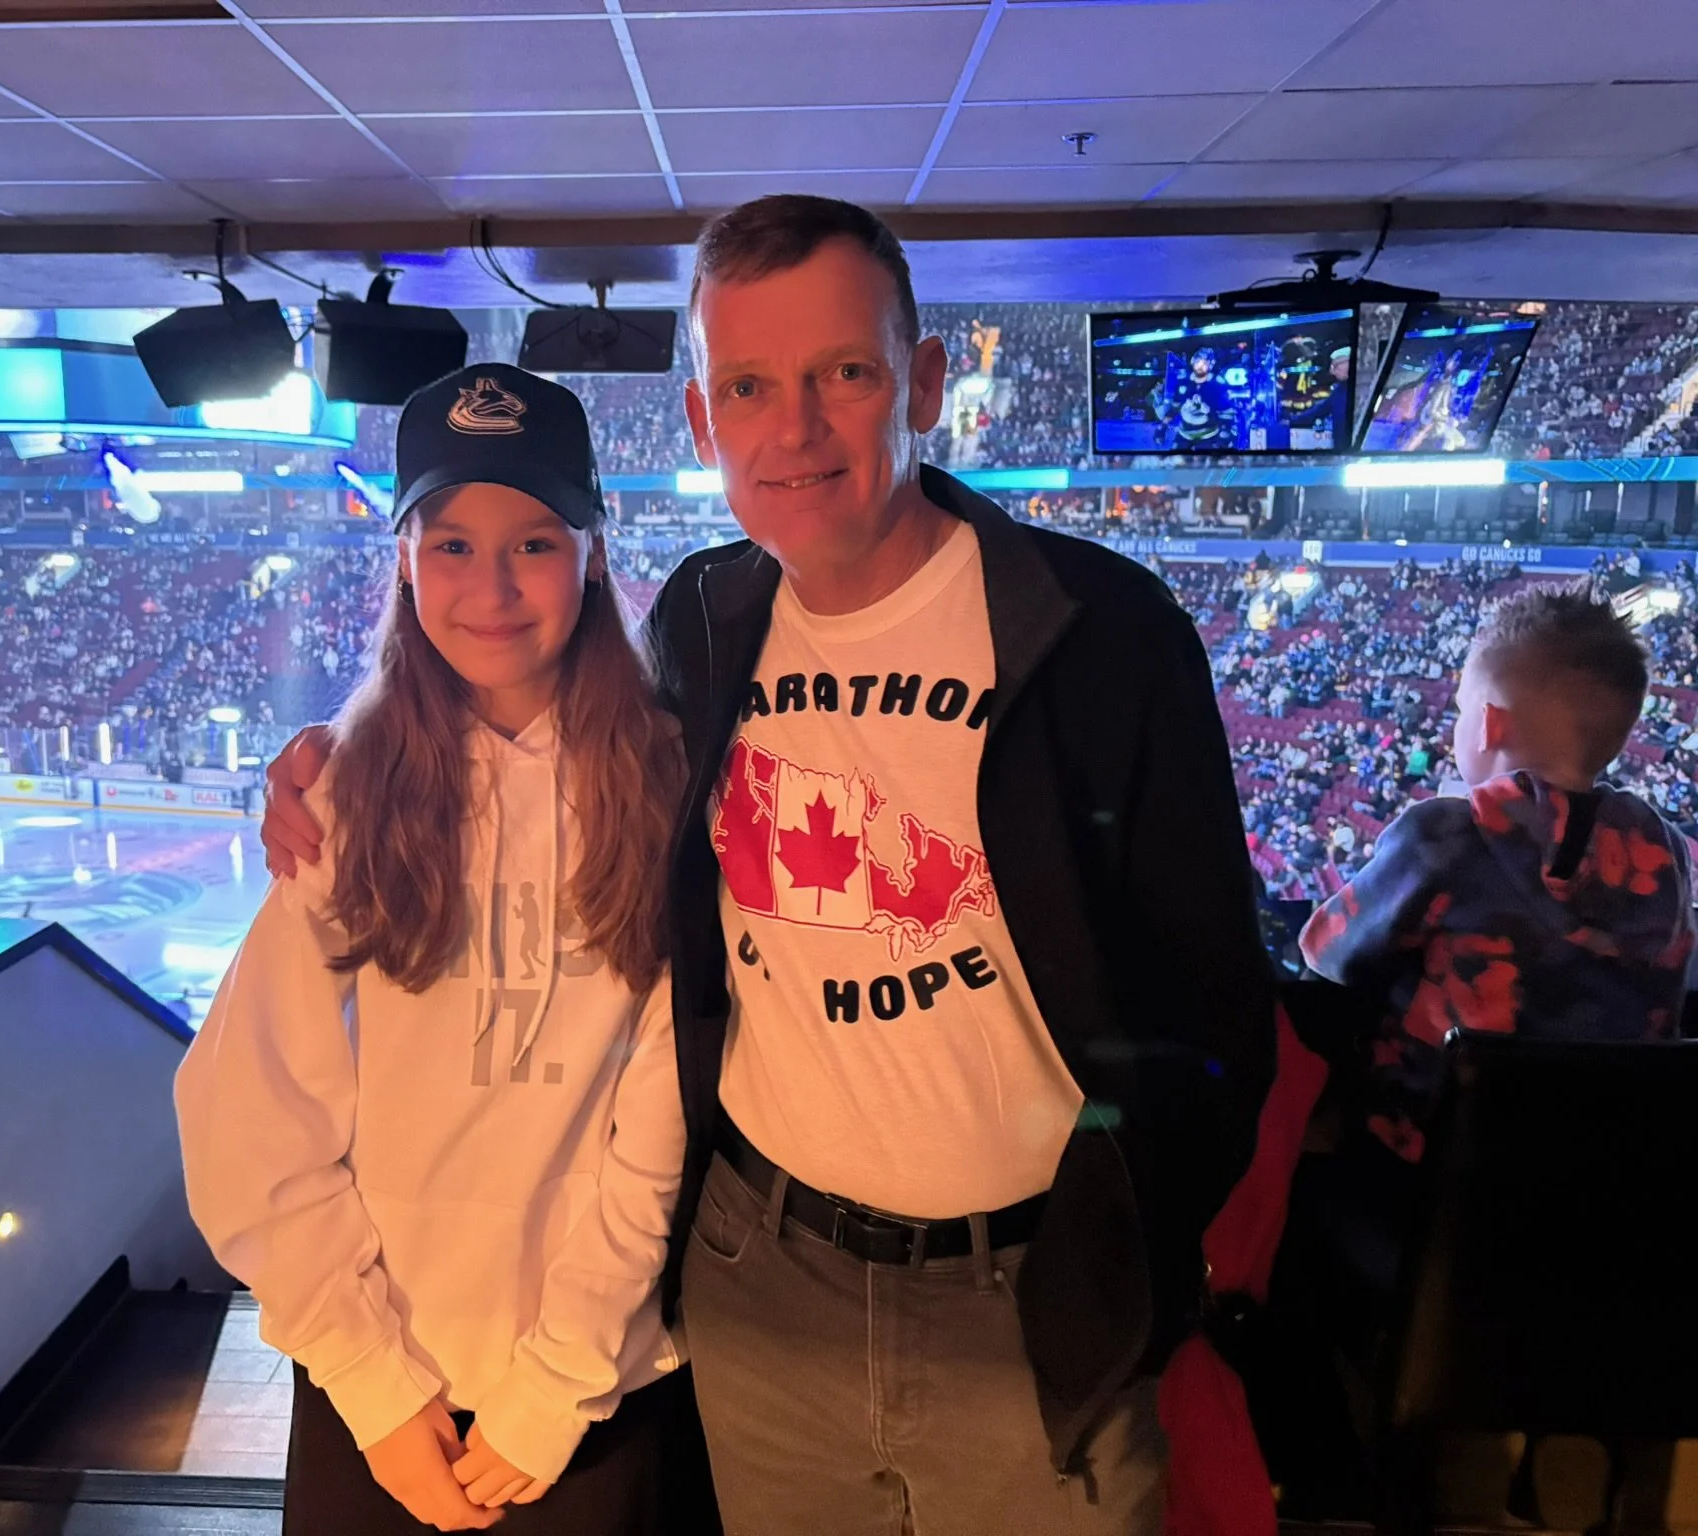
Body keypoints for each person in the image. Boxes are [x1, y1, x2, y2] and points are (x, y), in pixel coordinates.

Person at [262, 196, 1274, 1535]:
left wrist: (1125, 1263)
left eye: (842, 375)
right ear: (702, 422)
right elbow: (520, 691)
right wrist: (336, 740)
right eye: (748, 386)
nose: (793, 429)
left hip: (1034, 1302)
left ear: (920, 383)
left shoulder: (1103, 635)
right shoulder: (701, 616)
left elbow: (1215, 1011)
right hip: (762, 1291)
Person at [176, 365, 704, 1536]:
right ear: (403, 560)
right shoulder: (341, 795)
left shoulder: (671, 787)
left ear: (594, 554)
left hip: (597, 1394)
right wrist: (370, 1381)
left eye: (532, 542)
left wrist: (556, 1386)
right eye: (452, 544)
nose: (492, 587)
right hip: (379, 1400)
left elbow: (654, 1136)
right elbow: (249, 1121)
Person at [1268, 584, 1696, 1521]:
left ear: (1489, 719)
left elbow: (1325, 956)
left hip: (1426, 1212)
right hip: (1601, 1224)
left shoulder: (1449, 833)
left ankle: (1344, 1479)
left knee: (1282, 1223)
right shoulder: (1666, 854)